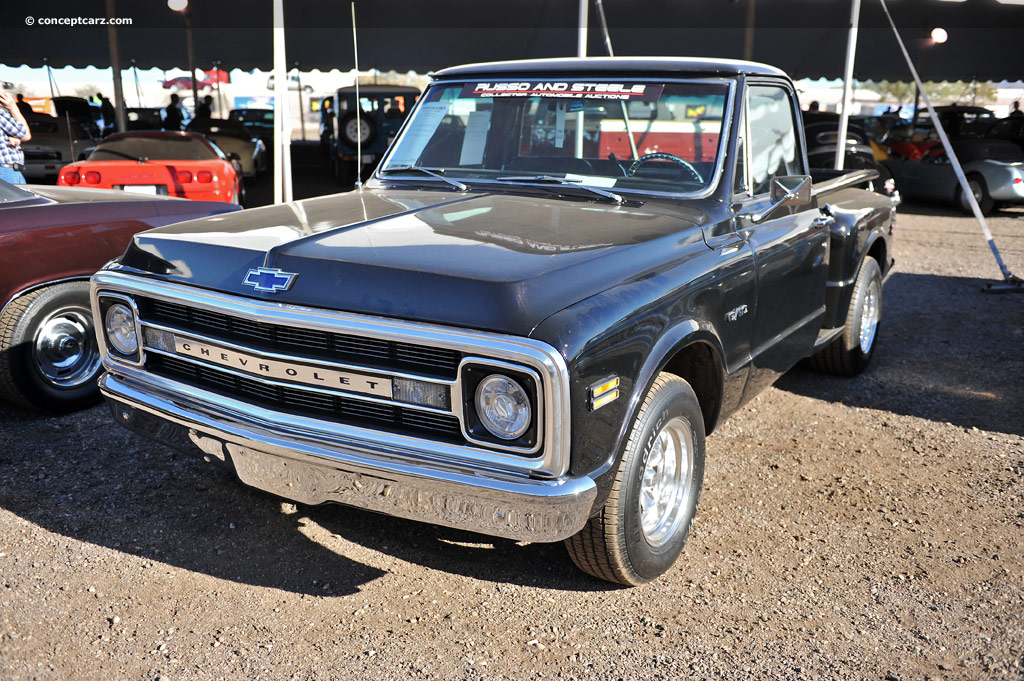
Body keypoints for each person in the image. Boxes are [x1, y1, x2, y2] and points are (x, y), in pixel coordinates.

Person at [0, 89, 31, 184]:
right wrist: (13, 107)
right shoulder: (1, 114)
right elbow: (25, 134)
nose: (5, 91)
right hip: (5, 171)